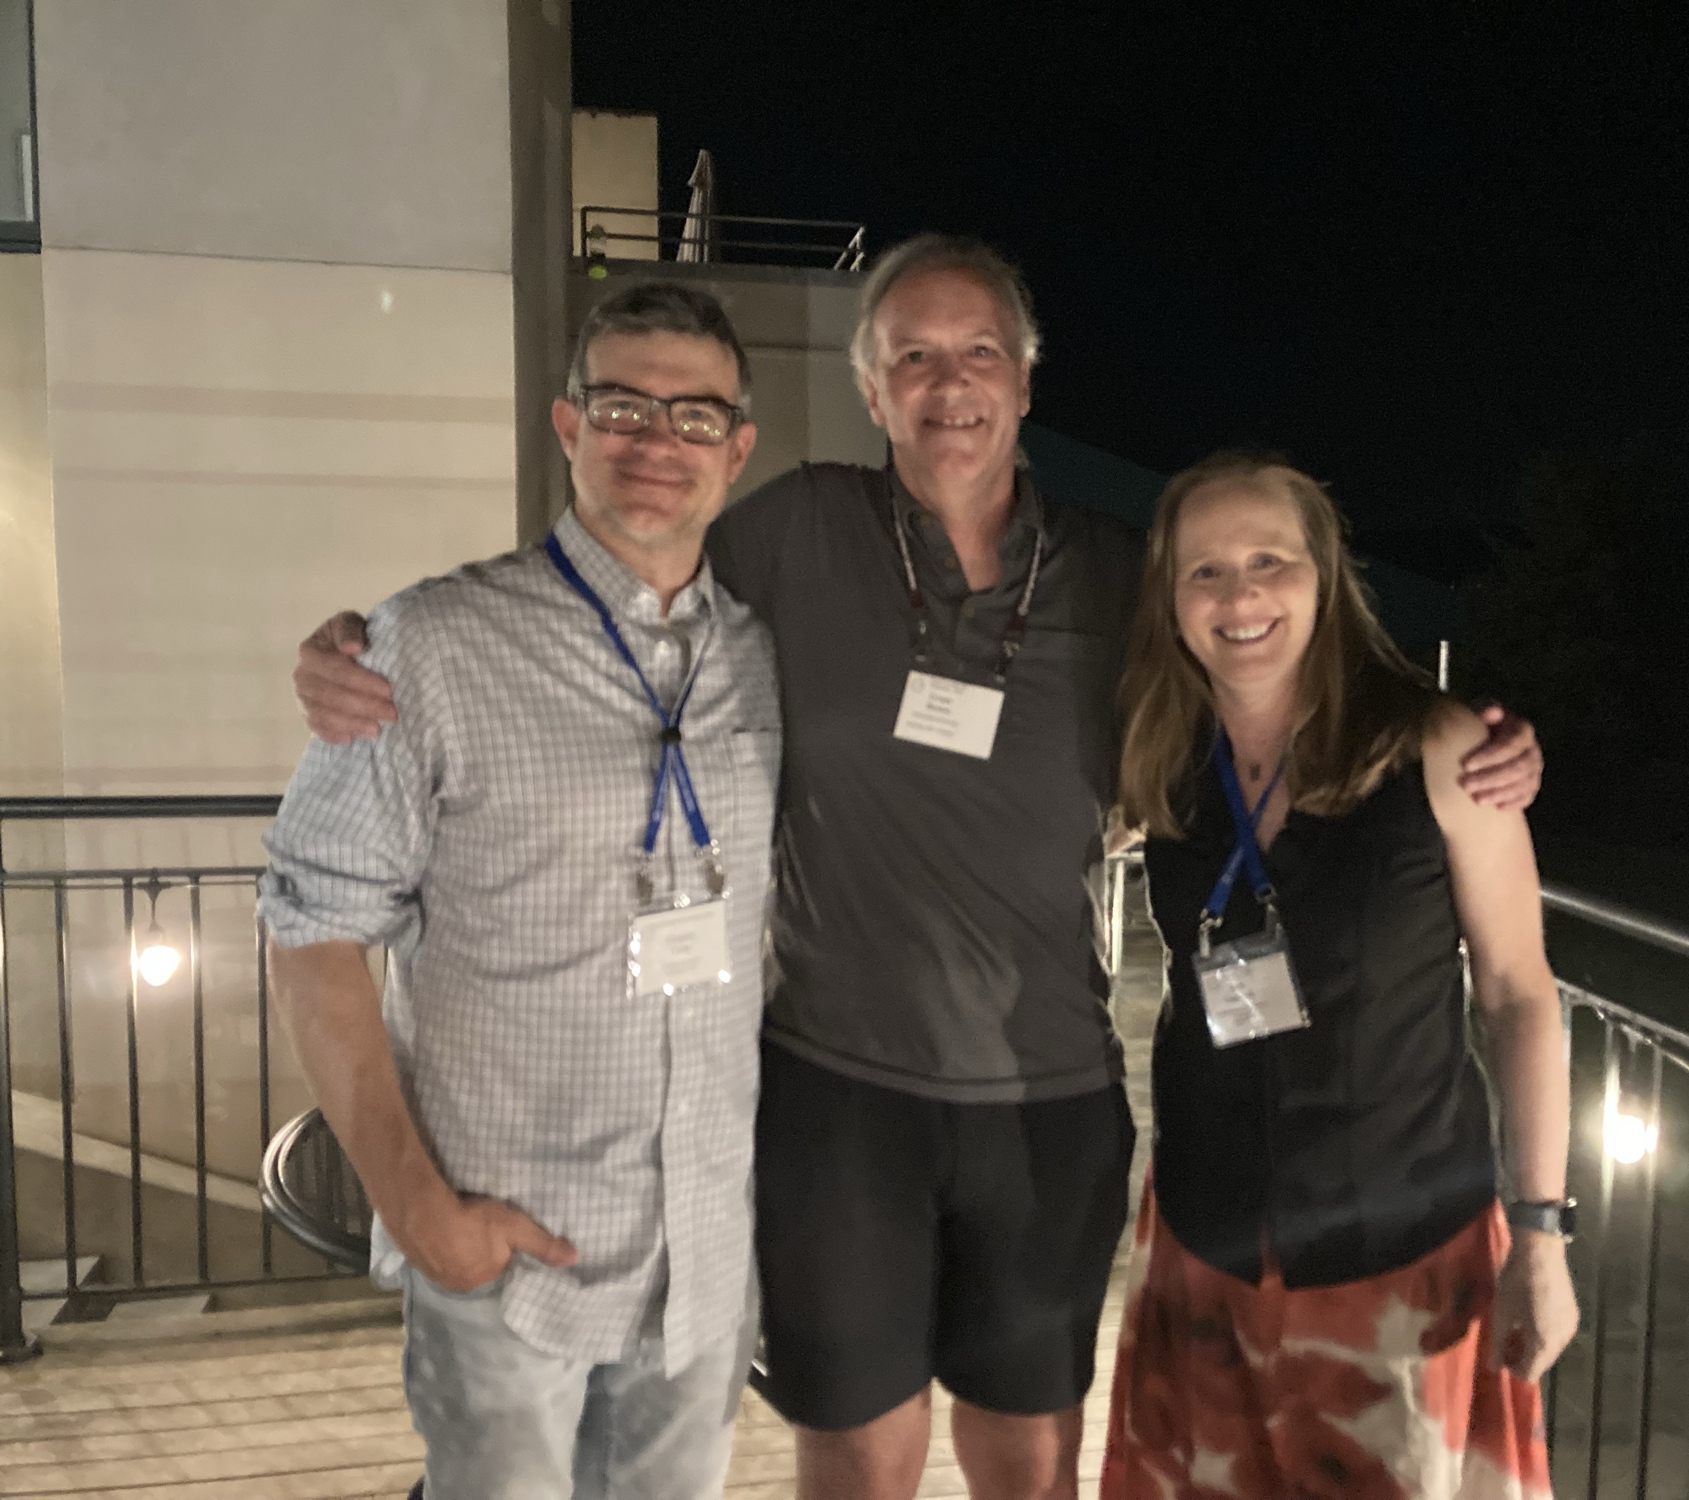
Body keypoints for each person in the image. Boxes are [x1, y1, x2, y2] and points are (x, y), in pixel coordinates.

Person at [292, 238, 1550, 1500]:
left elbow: (1261, 674)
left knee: (1030, 1463)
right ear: (870, 388)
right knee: (855, 1459)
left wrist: (1467, 743)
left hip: (1048, 1095)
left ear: (1025, 381)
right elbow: (624, 572)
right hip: (835, 1092)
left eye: (979, 352)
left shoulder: (1118, 571)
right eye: (912, 357)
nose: (948, 383)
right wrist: (363, 652)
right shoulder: (793, 529)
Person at [258, 281, 779, 1500]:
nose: (656, 440)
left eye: (695, 416)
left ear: (737, 449)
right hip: (506, 1251)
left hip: (701, 1251)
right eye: (621, 405)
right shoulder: (429, 645)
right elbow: (310, 932)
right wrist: (420, 1215)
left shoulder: (765, 656)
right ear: (567, 423)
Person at [1102, 453, 1577, 1499]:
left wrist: (1541, 1233)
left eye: (1268, 561)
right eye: (1204, 571)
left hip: (1402, 1258)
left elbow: (1517, 994)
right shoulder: (1158, 754)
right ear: (1170, 599)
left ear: (1324, 575)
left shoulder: (1441, 750)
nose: (1239, 597)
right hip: (1207, 1239)